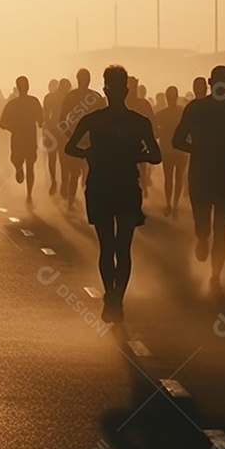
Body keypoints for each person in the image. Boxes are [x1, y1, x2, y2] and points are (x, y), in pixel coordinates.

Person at [66, 65, 161, 322]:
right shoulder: (139, 122)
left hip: (102, 186)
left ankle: (112, 296)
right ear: (126, 90)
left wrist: (89, 153)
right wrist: (135, 155)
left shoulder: (94, 119)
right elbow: (156, 156)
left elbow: (70, 147)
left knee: (107, 247)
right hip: (126, 187)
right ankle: (116, 298)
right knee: (122, 248)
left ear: (105, 89)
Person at [172, 66, 225, 292]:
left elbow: (177, 140)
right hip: (224, 173)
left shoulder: (196, 108)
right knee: (217, 231)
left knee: (212, 229)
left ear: (210, 81)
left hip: (203, 173)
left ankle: (214, 274)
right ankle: (214, 273)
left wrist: (198, 149)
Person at [59, 68, 105, 209]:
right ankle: (71, 202)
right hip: (76, 141)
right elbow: (62, 119)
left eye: (85, 79)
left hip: (92, 141)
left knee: (89, 175)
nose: (83, 81)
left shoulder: (96, 97)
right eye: (82, 79)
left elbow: (105, 119)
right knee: (75, 174)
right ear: (78, 80)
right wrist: (70, 135)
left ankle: (86, 203)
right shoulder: (71, 96)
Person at [0, 75, 44, 202]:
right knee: (19, 161)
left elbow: (41, 120)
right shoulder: (15, 104)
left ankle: (29, 194)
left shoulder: (30, 102)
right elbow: (2, 123)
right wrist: (12, 128)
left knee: (30, 166)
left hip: (27, 138)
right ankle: (18, 168)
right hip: (21, 138)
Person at [154, 85, 188, 218]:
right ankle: (173, 204)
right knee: (177, 179)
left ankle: (170, 204)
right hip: (177, 150)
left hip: (170, 150)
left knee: (170, 179)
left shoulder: (162, 114)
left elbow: (155, 132)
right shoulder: (182, 113)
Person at [126, 76, 156, 198]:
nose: (132, 89)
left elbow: (152, 121)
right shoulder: (122, 103)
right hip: (123, 144)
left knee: (142, 171)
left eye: (134, 86)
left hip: (140, 144)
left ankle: (142, 190)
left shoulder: (143, 103)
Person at [42, 78, 68, 195]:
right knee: (63, 160)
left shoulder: (49, 97)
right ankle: (62, 183)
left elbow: (46, 116)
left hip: (52, 130)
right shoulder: (68, 98)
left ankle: (55, 181)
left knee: (53, 159)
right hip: (62, 131)